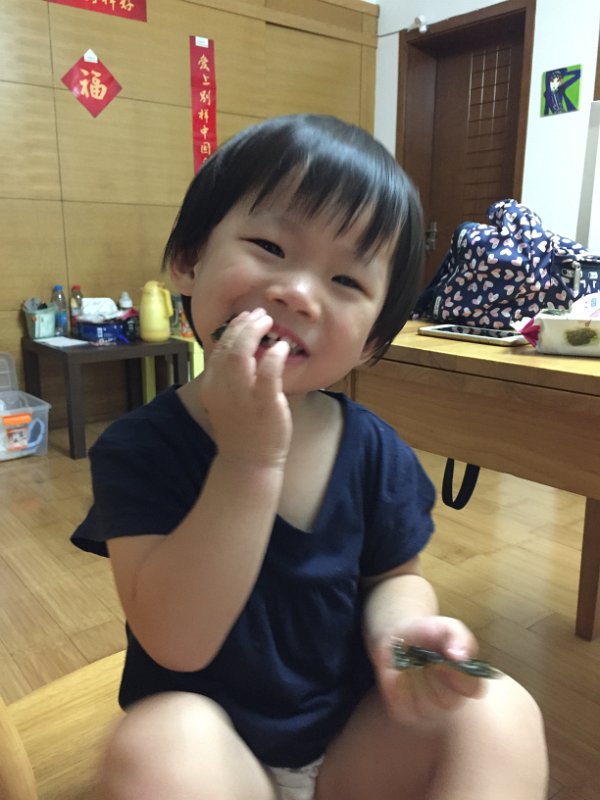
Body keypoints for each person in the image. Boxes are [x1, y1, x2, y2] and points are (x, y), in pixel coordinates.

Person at [72, 114, 548, 800]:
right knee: (153, 745)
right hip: (217, 765)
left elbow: (394, 577)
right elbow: (176, 641)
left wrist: (403, 636)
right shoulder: (140, 448)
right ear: (190, 260)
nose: (297, 291)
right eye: (270, 245)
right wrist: (248, 462)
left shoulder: (373, 449)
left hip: (354, 748)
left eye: (347, 281)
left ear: (372, 342)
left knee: (499, 708)